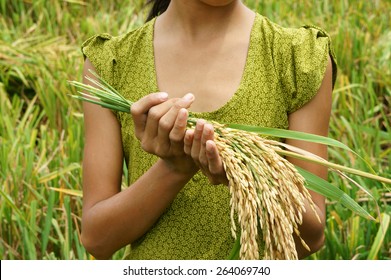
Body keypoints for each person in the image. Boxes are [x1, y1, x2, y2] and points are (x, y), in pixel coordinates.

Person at [80, 0, 337, 260]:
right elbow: (97, 239)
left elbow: (311, 236)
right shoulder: (112, 65)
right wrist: (173, 170)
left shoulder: (297, 58)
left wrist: (244, 177)